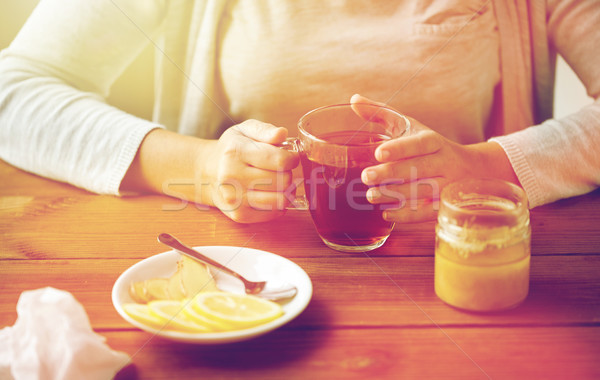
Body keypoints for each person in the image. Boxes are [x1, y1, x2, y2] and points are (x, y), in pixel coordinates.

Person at [0, 0, 598, 224]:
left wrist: (485, 168)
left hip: (463, 265)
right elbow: (13, 90)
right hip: (252, 277)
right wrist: (202, 167)